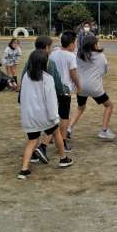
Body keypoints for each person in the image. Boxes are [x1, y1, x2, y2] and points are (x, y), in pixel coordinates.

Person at [18, 50, 73, 180]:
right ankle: (63, 158)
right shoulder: (47, 78)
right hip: (45, 116)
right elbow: (51, 100)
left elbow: (22, 97)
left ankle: (24, 170)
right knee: (56, 133)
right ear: (44, 63)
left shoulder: (26, 77)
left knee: (32, 141)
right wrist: (55, 118)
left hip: (29, 116)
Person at [21, 35, 66, 164]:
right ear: (46, 47)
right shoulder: (49, 64)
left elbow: (23, 84)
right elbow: (56, 84)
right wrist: (64, 92)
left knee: (33, 137)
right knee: (54, 129)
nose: (51, 49)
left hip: (30, 107)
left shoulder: (29, 63)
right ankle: (59, 156)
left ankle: (28, 163)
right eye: (50, 47)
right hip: (45, 107)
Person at [67, 34, 115, 141]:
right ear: (94, 45)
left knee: (80, 107)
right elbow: (104, 71)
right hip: (95, 87)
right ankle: (104, 130)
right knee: (109, 105)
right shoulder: (101, 56)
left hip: (80, 86)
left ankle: (69, 128)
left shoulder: (78, 55)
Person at [50, 31, 81, 150]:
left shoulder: (53, 54)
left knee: (53, 113)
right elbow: (73, 74)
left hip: (52, 88)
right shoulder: (70, 56)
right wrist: (78, 86)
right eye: (75, 43)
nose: (75, 46)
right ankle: (62, 141)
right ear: (71, 44)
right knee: (64, 116)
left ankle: (51, 136)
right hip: (64, 89)